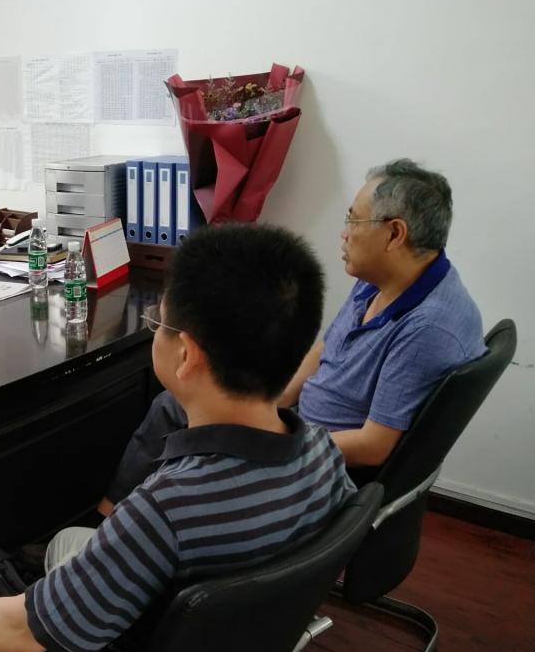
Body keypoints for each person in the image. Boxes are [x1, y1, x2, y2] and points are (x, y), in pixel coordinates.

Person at [0, 224, 356, 652]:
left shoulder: (166, 511)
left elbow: (20, 631)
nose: (154, 330)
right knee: (68, 543)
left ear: (187, 355)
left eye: (158, 322)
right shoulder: (323, 453)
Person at [98, 159, 485, 516]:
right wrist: (277, 395)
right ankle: (117, 514)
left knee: (180, 406)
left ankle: (127, 524)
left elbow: (374, 446)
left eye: (354, 220)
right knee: (179, 402)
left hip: (317, 461)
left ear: (394, 233)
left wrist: (278, 439)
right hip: (302, 423)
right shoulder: (385, 280)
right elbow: (327, 347)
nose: (344, 233)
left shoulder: (428, 327)